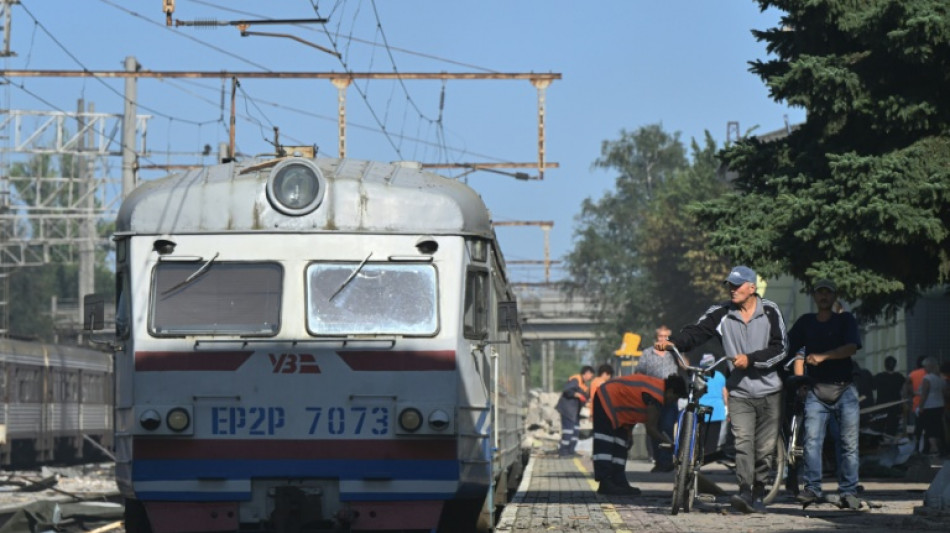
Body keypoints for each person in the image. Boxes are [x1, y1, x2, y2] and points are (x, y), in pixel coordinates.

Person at [655, 265, 787, 514]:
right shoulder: (722, 313)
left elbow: (781, 348)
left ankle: (759, 492)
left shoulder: (770, 311)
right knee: (743, 442)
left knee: (764, 449)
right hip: (739, 392)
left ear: (752, 288)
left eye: (737, 285)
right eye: (729, 285)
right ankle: (745, 493)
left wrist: (751, 359)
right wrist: (675, 343)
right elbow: (697, 332)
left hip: (770, 391)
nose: (732, 290)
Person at [787, 279, 863, 510]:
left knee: (849, 444)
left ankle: (849, 491)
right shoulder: (805, 323)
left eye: (827, 293)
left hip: (845, 390)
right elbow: (787, 348)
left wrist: (823, 356)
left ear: (833, 296)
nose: (823, 297)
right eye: (819, 293)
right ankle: (812, 488)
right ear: (814, 296)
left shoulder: (845, 320)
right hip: (816, 391)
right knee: (811, 442)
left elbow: (851, 347)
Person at [592, 373, 688, 495]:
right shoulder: (656, 395)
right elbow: (651, 429)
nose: (672, 401)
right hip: (606, 398)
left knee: (621, 444)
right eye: (674, 398)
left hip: (619, 409)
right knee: (605, 442)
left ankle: (619, 481)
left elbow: (632, 404)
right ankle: (605, 482)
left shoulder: (656, 389)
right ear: (670, 391)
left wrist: (629, 434)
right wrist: (670, 445)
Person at [634, 325, 680, 472]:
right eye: (661, 337)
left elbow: (686, 366)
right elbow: (639, 372)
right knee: (653, 429)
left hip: (670, 397)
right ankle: (658, 460)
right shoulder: (647, 354)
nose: (663, 340)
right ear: (656, 338)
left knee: (666, 427)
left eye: (667, 337)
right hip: (653, 397)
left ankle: (667, 461)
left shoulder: (674, 353)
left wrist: (676, 350)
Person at [555, 366, 594, 457]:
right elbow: (567, 390)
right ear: (586, 373)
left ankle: (571, 451)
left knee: (575, 432)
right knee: (568, 431)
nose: (591, 377)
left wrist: (587, 401)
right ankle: (563, 451)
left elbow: (585, 398)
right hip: (568, 410)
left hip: (575, 412)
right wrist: (577, 394)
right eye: (591, 375)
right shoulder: (576, 379)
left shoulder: (584, 385)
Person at [698, 353, 729, 450]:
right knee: (714, 435)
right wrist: (728, 408)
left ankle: (702, 453)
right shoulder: (720, 376)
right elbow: (725, 394)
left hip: (702, 408)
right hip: (717, 410)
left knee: (702, 435)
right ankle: (711, 454)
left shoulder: (699, 376)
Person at [917, 357, 946, 456]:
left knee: (929, 428)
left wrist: (920, 407)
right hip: (940, 405)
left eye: (925, 366)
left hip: (929, 406)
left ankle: (934, 448)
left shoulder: (927, 378)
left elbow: (924, 394)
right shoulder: (941, 378)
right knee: (938, 426)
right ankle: (941, 447)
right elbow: (944, 392)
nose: (924, 369)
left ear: (929, 366)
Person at [873, 356, 906, 436]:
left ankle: (880, 444)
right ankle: (891, 444)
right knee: (892, 429)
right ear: (895, 365)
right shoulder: (899, 377)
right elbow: (904, 391)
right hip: (895, 406)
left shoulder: (879, 377)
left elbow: (873, 387)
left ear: (885, 365)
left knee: (879, 428)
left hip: (881, 406)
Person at [904, 356, 927, 450]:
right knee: (928, 426)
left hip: (916, 404)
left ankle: (916, 444)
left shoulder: (912, 374)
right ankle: (926, 446)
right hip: (929, 405)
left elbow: (907, 390)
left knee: (916, 425)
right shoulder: (930, 374)